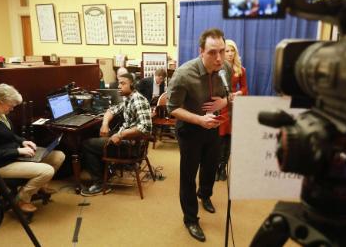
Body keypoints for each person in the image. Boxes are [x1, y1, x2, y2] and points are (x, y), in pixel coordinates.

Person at [167, 28, 231, 242]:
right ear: (201, 51)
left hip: (212, 127)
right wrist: (199, 119)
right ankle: (191, 219)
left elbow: (225, 96)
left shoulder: (225, 68)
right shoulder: (184, 74)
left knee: (210, 167)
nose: (219, 58)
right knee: (188, 176)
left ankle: (205, 195)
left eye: (222, 51)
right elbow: (172, 108)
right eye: (213, 52)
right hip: (190, 130)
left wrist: (225, 102)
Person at [0, 83, 65, 213]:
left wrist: (23, 142)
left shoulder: (0, 114)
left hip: (14, 157)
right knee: (47, 171)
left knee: (58, 156)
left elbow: (10, 135)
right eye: (10, 106)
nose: (12, 109)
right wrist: (17, 151)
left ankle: (40, 187)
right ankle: (22, 199)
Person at [80, 73, 152, 196]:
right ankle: (106, 174)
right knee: (99, 136)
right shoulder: (128, 98)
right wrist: (104, 123)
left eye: (123, 83)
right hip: (127, 140)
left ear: (132, 85)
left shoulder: (138, 100)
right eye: (119, 83)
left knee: (87, 144)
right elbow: (112, 110)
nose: (119, 86)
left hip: (131, 147)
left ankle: (99, 184)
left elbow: (146, 127)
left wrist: (121, 135)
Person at [216, 39, 248, 181]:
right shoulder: (217, 68)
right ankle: (215, 167)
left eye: (232, 50)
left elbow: (245, 88)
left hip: (233, 108)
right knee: (218, 140)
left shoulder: (241, 70)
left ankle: (222, 168)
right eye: (227, 51)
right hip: (219, 107)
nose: (229, 54)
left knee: (228, 140)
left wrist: (237, 94)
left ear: (235, 52)